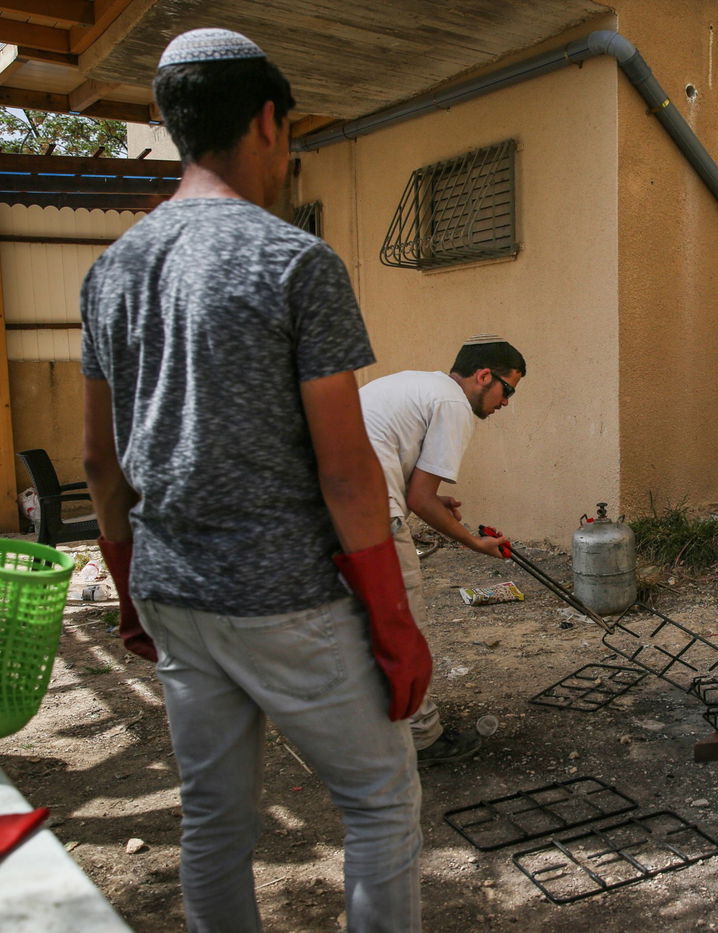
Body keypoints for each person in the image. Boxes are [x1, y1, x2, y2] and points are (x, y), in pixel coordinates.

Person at [81, 29, 427, 932]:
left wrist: (128, 589)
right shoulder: (295, 262)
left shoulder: (111, 271)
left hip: (175, 593)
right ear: (268, 120)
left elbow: (97, 460)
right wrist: (394, 625)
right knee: (380, 803)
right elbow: (349, 472)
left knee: (213, 820)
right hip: (286, 600)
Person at [359, 336, 524, 765]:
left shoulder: (416, 383)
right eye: (507, 390)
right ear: (484, 376)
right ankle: (422, 739)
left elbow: (405, 472)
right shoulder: (453, 404)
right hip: (367, 518)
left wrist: (430, 501)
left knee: (356, 627)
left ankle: (362, 730)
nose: (506, 403)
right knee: (402, 628)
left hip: (318, 512)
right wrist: (474, 542)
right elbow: (419, 500)